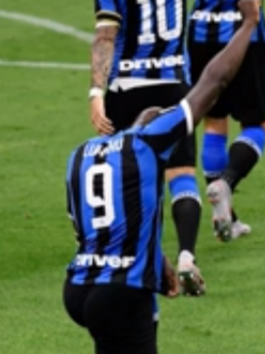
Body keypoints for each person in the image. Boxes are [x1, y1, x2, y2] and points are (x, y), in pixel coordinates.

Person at [8, 3, 261, 354]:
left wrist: (158, 260)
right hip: (120, 293)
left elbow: (92, 229)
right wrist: (249, 23)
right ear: (153, 125)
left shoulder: (81, 154)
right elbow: (214, 80)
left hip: (79, 288)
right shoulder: (150, 142)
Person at [89, 0, 206, 297]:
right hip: (174, 85)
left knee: (130, 181)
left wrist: (96, 91)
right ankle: (187, 257)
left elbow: (106, 35)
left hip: (127, 90)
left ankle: (143, 259)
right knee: (182, 175)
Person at [187, 0, 265, 241]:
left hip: (200, 34)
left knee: (214, 122)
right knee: (259, 123)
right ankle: (226, 183)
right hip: (246, 36)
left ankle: (229, 218)